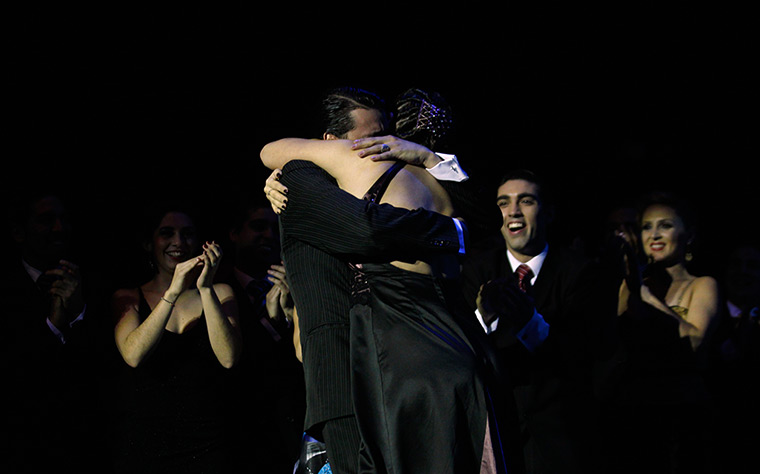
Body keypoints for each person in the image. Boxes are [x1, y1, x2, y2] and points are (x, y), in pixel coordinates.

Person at [260, 86, 506, 473]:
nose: (381, 144)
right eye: (371, 136)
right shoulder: (439, 176)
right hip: (459, 347)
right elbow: (489, 221)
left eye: (386, 134)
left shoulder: (357, 160)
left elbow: (271, 151)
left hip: (400, 356)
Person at [460, 169, 618, 474]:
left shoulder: (580, 273)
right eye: (503, 203)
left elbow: (586, 354)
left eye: (526, 201)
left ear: (548, 212)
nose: (514, 211)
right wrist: (485, 318)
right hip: (495, 436)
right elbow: (461, 353)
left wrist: (529, 321)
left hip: (560, 439)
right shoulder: (475, 270)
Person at [111, 201, 242, 474]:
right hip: (147, 444)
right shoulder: (128, 296)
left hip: (209, 443)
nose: (178, 241)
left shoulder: (220, 291)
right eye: (167, 233)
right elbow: (133, 355)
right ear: (149, 244)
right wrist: (171, 293)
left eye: (187, 234)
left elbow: (228, 357)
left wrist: (204, 288)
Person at [607, 191, 721, 473]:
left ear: (689, 235)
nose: (654, 235)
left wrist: (643, 293)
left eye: (665, 225)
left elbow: (694, 342)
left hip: (684, 420)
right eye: (647, 227)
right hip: (635, 417)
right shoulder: (629, 286)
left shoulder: (702, 285)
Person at [1, 191, 111, 473]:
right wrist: (53, 324)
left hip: (85, 444)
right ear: (18, 232)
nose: (59, 229)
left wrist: (77, 313)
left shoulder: (94, 282)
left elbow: (105, 366)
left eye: (63, 220)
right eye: (46, 220)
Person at [220, 194, 305, 472]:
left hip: (294, 427)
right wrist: (272, 322)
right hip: (239, 435)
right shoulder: (218, 289)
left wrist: (294, 311)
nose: (268, 235)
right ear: (235, 233)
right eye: (258, 226)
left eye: (275, 228)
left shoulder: (299, 285)